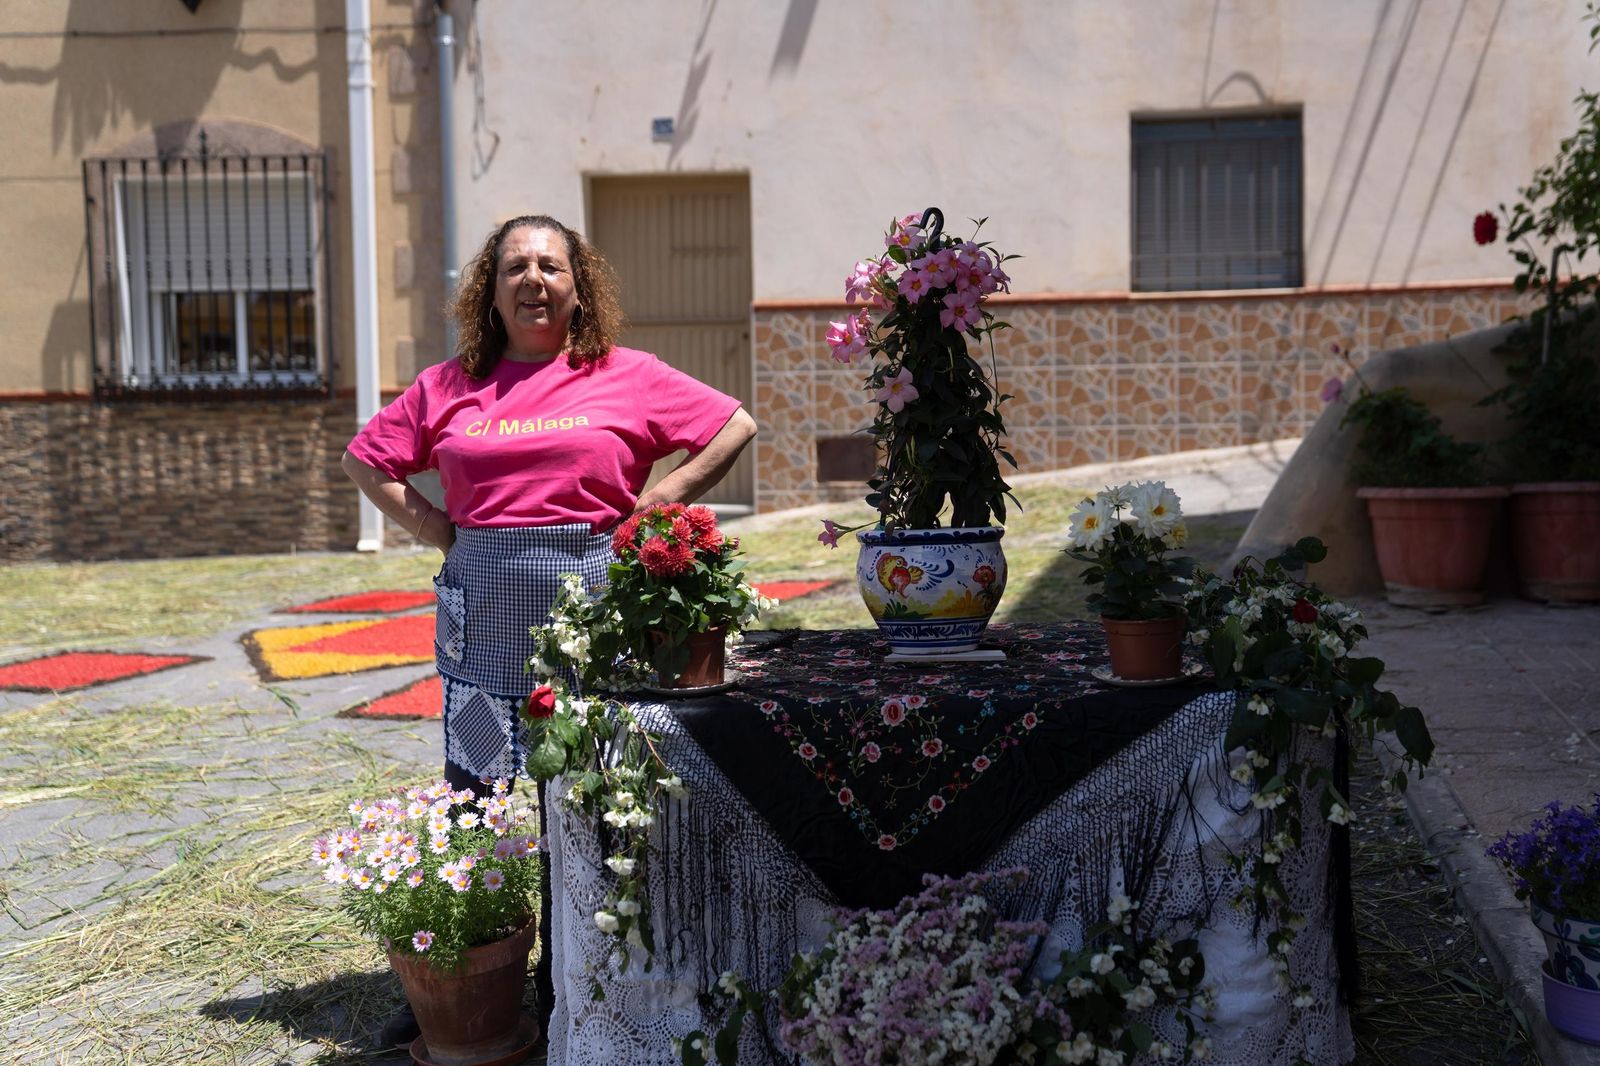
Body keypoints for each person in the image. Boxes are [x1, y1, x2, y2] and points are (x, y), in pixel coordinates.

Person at [342, 214, 757, 1045]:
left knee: (589, 793)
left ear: (579, 284)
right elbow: (367, 458)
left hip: (592, 617)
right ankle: (469, 971)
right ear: (489, 292)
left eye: (551, 266)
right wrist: (435, 528)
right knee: (476, 796)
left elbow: (733, 425)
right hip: (484, 615)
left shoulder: (626, 374)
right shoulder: (449, 386)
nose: (533, 279)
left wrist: (658, 505)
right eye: (514, 267)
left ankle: (577, 974)